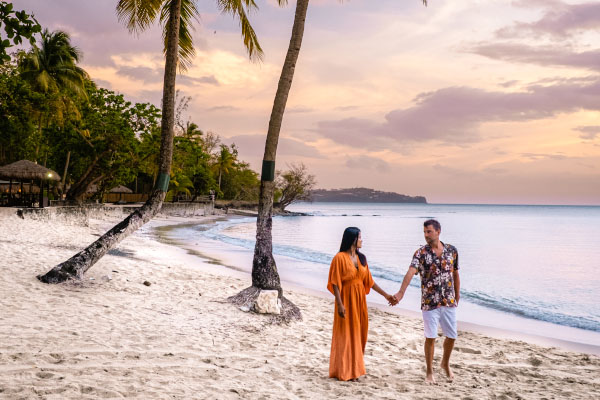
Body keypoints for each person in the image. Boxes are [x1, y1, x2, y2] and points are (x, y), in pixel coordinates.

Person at [393, 219, 460, 384]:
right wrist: (401, 292)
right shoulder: (420, 253)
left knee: (451, 336)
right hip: (430, 302)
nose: (426, 235)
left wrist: (457, 295)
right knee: (430, 337)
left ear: (438, 231)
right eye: (424, 232)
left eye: (429, 232)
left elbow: (456, 274)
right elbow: (410, 272)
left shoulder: (452, 251)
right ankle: (429, 372)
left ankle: (445, 363)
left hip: (448, 301)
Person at [327, 227, 398, 381]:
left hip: (360, 301)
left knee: (360, 333)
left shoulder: (362, 259)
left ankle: (355, 369)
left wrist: (387, 295)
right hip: (346, 299)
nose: (362, 240)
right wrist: (340, 304)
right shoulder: (339, 258)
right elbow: (335, 283)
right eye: (360, 237)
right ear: (352, 239)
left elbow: (370, 282)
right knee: (346, 334)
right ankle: (344, 371)